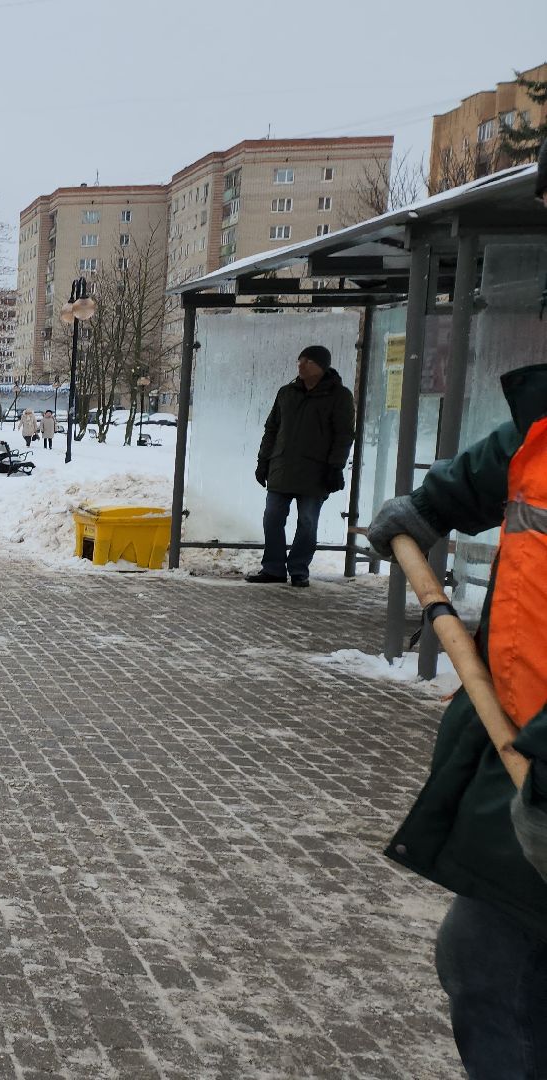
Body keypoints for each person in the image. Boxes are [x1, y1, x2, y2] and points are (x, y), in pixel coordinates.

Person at [364, 357, 547, 1080]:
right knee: (487, 962)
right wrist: (430, 506)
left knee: (498, 973)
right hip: (519, 756)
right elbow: (507, 459)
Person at [247, 344, 355, 586]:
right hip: (281, 467)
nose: (301, 365)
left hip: (316, 471)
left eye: (308, 361)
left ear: (322, 366)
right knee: (272, 517)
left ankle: (298, 569)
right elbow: (272, 429)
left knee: (307, 521)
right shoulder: (287, 392)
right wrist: (263, 461)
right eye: (300, 361)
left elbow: (344, 435)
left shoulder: (339, 396)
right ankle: (273, 568)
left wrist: (334, 467)